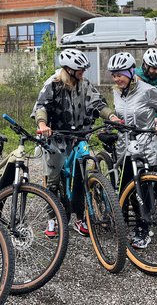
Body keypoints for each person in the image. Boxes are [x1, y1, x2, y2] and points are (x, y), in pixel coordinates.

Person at [32, 48, 119, 237]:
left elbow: (98, 103)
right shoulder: (53, 84)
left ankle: (80, 217)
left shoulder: (85, 84)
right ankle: (53, 219)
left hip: (80, 136)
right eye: (80, 70)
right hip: (56, 136)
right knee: (54, 178)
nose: (83, 73)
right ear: (69, 70)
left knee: (82, 173)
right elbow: (41, 107)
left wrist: (111, 115)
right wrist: (42, 123)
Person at [108, 51, 157, 249]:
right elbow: (119, 113)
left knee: (142, 190)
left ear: (130, 72)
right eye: (114, 75)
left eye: (120, 74)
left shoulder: (146, 90)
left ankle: (143, 228)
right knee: (126, 188)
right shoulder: (116, 91)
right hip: (125, 147)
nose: (116, 78)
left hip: (145, 145)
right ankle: (125, 221)